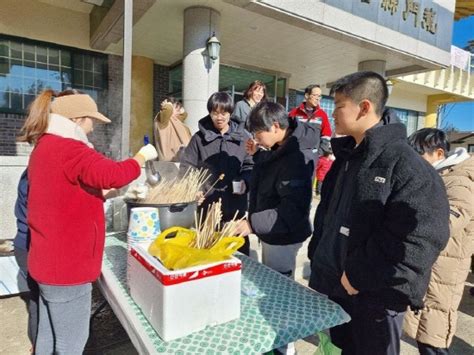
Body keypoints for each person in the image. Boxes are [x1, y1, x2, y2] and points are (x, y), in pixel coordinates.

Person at [307, 71, 450, 355]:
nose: (331, 112)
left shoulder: (404, 163)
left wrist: (359, 274)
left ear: (364, 107)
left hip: (375, 297)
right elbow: (328, 215)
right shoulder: (346, 158)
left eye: (338, 105)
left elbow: (422, 236)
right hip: (339, 288)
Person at [17, 89, 158, 355]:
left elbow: (70, 193)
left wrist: (115, 193)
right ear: (78, 119)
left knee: (46, 336)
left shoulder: (44, 147)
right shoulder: (71, 148)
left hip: (45, 262)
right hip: (68, 269)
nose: (92, 129)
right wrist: (141, 157)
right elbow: (113, 174)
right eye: (91, 120)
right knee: (71, 344)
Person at [404, 128, 474, 355]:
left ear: (439, 153)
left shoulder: (460, 179)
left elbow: (453, 217)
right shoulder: (441, 174)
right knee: (426, 328)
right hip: (433, 263)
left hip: (446, 268)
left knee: (434, 333)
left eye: (419, 155)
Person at [180, 92, 254, 255]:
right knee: (206, 254)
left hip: (235, 207)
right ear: (210, 113)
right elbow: (187, 167)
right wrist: (194, 189)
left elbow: (250, 165)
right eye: (215, 113)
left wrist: (244, 182)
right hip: (207, 206)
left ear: (230, 113)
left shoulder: (243, 137)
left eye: (224, 113)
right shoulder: (199, 138)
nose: (219, 117)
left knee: (238, 256)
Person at [13, 169, 39, 351]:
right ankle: (39, 345)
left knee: (36, 300)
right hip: (31, 247)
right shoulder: (39, 176)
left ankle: (37, 343)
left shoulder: (31, 171)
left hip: (24, 245)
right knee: (40, 301)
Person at [289, 84, 332, 157]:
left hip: (313, 156)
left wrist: (319, 153)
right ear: (306, 95)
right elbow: (287, 132)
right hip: (294, 154)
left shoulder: (322, 115)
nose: (318, 98)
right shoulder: (294, 112)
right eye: (315, 95)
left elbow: (326, 135)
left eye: (319, 96)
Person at [154, 97, 192, 162]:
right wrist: (168, 105)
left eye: (179, 108)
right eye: (176, 107)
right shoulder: (162, 119)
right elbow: (168, 110)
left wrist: (182, 112)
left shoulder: (176, 121)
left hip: (182, 161)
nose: (179, 110)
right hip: (170, 163)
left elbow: (183, 116)